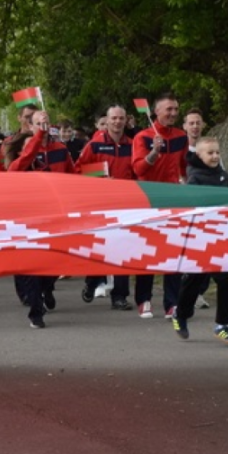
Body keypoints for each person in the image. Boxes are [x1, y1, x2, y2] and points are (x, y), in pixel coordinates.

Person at [9, 109, 74, 329]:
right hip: (30, 218)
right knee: (33, 266)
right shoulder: (26, 152)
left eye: (44, 123)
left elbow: (73, 176)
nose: (42, 127)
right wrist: (36, 140)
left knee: (58, 261)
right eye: (37, 123)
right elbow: (15, 169)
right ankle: (36, 312)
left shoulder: (60, 149)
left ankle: (48, 287)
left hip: (55, 216)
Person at [172, 137, 228, 345]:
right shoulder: (195, 177)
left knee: (227, 279)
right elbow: (192, 205)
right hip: (200, 238)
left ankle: (222, 324)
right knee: (194, 280)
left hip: (221, 237)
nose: (215, 156)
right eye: (210, 153)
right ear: (199, 155)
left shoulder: (223, 176)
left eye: (217, 152)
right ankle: (180, 315)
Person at [131, 93, 187, 318]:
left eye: (175, 109)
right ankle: (143, 300)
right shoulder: (142, 137)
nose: (173, 113)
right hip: (148, 200)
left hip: (173, 200)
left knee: (173, 251)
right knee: (148, 252)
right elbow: (138, 170)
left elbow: (184, 167)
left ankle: (171, 303)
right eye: (169, 110)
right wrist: (155, 151)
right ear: (156, 112)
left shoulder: (181, 137)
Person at [76, 105, 136, 311]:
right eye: (114, 118)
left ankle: (119, 296)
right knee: (100, 249)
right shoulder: (95, 145)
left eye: (121, 118)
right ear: (107, 121)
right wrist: (101, 180)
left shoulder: (132, 144)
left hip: (126, 204)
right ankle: (92, 281)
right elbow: (79, 170)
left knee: (122, 248)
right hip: (101, 204)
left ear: (126, 121)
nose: (118, 122)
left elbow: (138, 171)